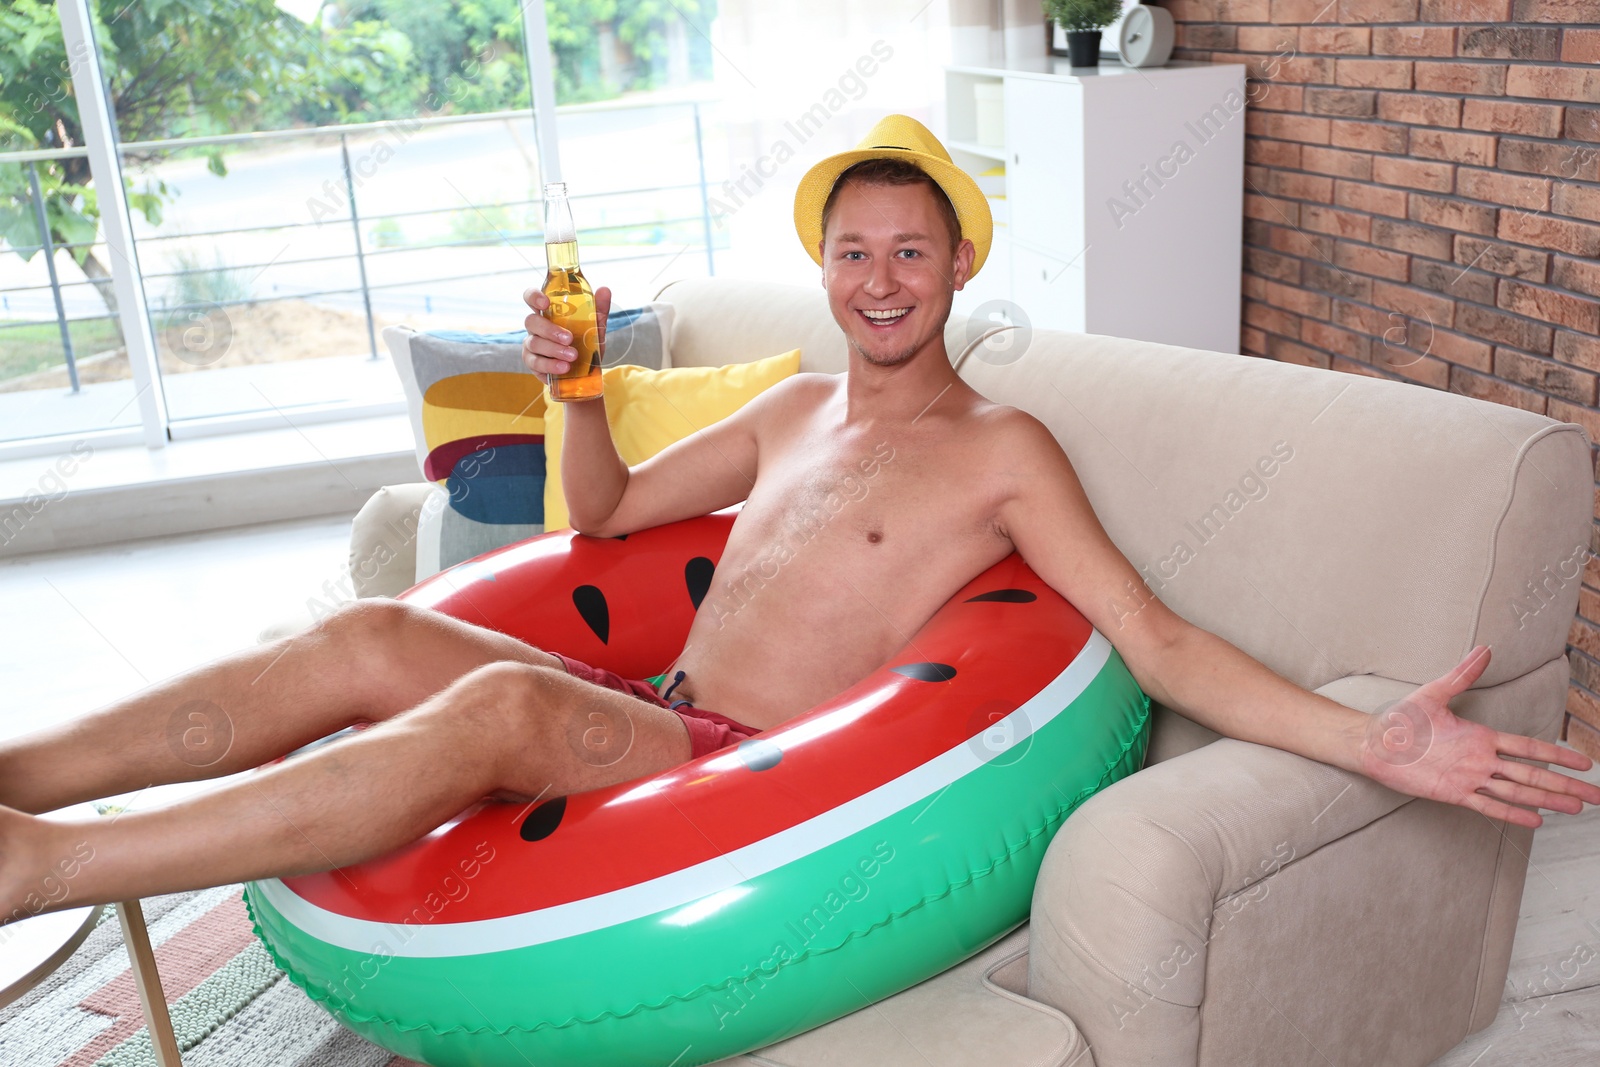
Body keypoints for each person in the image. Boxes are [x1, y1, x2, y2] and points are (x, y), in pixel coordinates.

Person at [2, 115, 1596, 924]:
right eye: (856, 253)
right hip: (641, 710)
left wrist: (1371, 740)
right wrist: (571, 387)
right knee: (364, 632)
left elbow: (1159, 637)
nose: (880, 281)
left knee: (486, 699)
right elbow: (610, 509)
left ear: (957, 271)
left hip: (727, 772)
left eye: (913, 253)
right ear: (825, 267)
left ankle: (50, 870)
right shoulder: (782, 417)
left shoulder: (1003, 451)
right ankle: (17, 782)